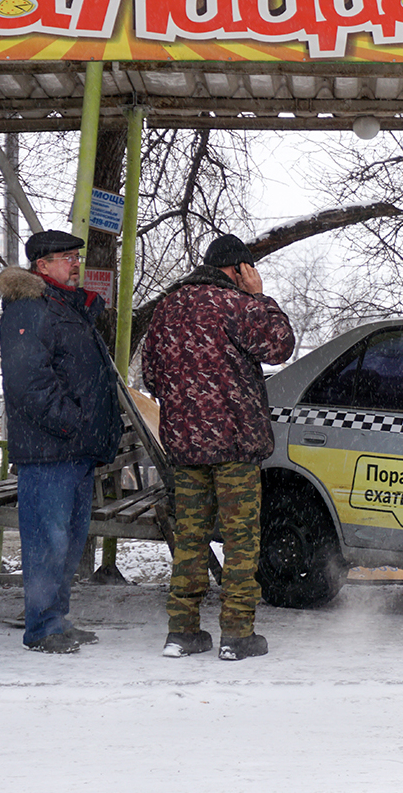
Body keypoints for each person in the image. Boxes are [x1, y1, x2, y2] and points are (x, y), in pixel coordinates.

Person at [142, 234, 295, 661]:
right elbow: (280, 345)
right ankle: (236, 634)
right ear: (239, 270)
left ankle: (182, 632)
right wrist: (260, 297)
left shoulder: (166, 308)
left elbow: (152, 377)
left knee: (190, 538)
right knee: (241, 540)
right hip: (234, 447)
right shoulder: (239, 305)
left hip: (186, 449)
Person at [0, 230, 121, 654]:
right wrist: (73, 423)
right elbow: (27, 382)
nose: (75, 264)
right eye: (67, 258)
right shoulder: (29, 308)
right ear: (42, 266)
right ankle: (42, 627)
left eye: (75, 257)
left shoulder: (66, 307)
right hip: (50, 451)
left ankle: (56, 619)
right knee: (47, 541)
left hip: (74, 449)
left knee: (66, 541)